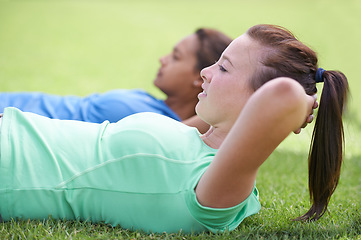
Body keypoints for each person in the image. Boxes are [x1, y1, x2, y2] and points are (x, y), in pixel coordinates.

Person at [0, 24, 348, 234]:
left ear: (260, 101)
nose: (206, 73)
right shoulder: (195, 144)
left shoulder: (215, 189)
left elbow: (282, 96)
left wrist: (300, 104)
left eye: (224, 68)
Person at [0, 28, 232, 133]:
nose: (163, 59)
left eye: (175, 56)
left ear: (199, 76)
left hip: (12, 123)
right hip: (14, 105)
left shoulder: (168, 128)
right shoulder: (153, 104)